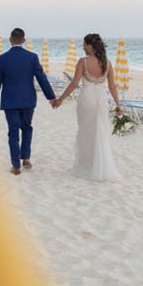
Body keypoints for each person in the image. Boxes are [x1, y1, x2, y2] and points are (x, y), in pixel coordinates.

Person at [53, 32, 122, 182]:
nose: (83, 47)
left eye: (85, 44)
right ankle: (99, 166)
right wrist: (118, 105)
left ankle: (86, 166)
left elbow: (74, 83)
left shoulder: (83, 62)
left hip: (87, 99)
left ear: (91, 46)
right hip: (102, 100)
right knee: (100, 131)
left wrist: (60, 99)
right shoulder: (107, 63)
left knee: (85, 131)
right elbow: (112, 86)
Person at [0, 27, 57, 176]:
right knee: (27, 127)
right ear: (24, 40)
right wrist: (51, 97)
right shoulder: (32, 57)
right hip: (28, 100)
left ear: (10, 40)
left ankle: (16, 166)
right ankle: (25, 158)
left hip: (10, 100)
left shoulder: (1, 59)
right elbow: (42, 78)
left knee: (13, 132)